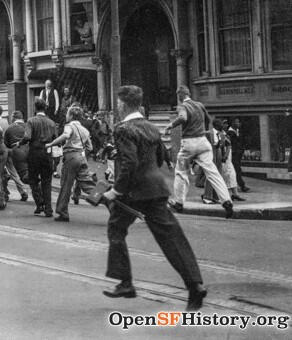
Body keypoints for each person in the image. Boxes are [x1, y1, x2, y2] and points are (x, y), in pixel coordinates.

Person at [102, 85, 207, 311]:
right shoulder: (151, 127)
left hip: (133, 191)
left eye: (119, 104)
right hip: (156, 188)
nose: (118, 107)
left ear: (122, 105)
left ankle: (126, 282)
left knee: (116, 229)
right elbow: (160, 157)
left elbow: (129, 163)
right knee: (172, 238)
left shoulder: (122, 129)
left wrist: (117, 190)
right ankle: (195, 285)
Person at [164, 86, 233, 218]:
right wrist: (204, 131)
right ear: (189, 94)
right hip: (203, 143)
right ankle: (227, 201)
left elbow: (183, 118)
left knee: (181, 172)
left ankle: (178, 202)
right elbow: (208, 119)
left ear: (180, 96)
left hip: (189, 145)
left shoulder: (183, 106)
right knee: (213, 172)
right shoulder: (200, 104)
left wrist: (170, 125)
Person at [46, 105, 98, 222]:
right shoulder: (85, 130)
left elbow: (65, 136)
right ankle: (107, 199)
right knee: (87, 185)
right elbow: (90, 147)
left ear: (71, 116)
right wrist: (82, 154)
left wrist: (51, 144)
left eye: (67, 114)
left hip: (70, 157)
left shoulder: (69, 126)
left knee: (66, 185)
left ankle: (62, 212)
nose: (66, 116)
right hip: (81, 157)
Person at [23, 98, 57, 217]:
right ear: (45, 108)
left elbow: (27, 137)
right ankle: (49, 209)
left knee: (33, 180)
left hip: (34, 153)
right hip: (47, 154)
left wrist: (20, 143)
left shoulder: (31, 121)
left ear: (35, 108)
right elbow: (56, 140)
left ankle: (39, 203)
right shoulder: (51, 123)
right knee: (47, 182)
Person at [2, 111, 29, 202]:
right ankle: (26, 191)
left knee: (13, 172)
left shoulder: (10, 128)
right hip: (29, 151)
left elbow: (6, 144)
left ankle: (23, 190)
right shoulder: (28, 126)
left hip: (14, 151)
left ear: (13, 118)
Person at [227, 118, 250, 193]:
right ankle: (242, 185)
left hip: (238, 154)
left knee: (236, 170)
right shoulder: (230, 133)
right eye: (237, 122)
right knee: (237, 170)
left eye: (239, 122)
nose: (238, 123)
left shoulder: (237, 131)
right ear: (233, 123)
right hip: (233, 154)